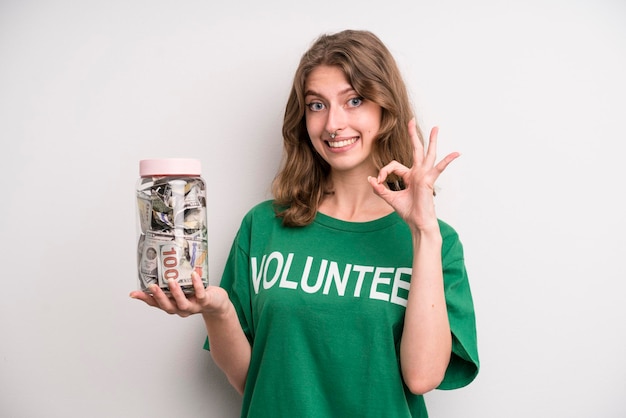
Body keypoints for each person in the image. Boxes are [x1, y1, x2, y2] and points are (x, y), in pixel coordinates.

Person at [130, 29, 479, 417]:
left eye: (354, 100)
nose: (333, 123)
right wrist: (219, 310)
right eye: (317, 105)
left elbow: (421, 377)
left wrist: (423, 231)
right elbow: (255, 381)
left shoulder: (437, 243)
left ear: (386, 110)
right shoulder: (263, 226)